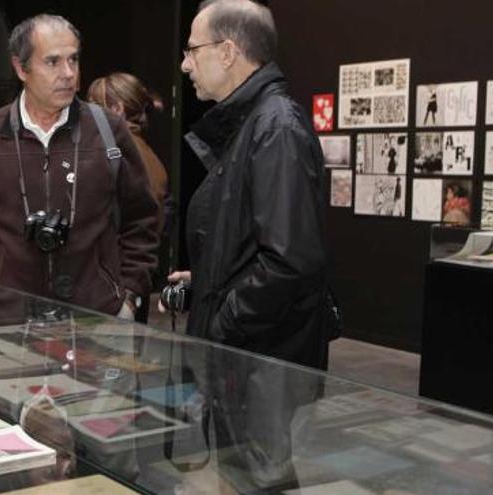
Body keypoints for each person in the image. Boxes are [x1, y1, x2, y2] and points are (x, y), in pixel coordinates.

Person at [168, 0, 330, 491]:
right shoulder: (253, 123)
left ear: (229, 51)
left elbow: (290, 260)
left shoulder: (274, 125)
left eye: (192, 49)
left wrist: (222, 319)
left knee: (259, 479)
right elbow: (257, 241)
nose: (184, 63)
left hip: (261, 359)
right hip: (253, 355)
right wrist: (208, 280)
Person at [0, 14, 159, 320]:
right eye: (53, 62)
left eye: (73, 59)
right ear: (21, 68)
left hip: (96, 319)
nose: (68, 73)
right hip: (8, 322)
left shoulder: (109, 131)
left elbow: (142, 220)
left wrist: (128, 298)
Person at [87, 72, 174, 323]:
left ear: (117, 109)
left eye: (94, 105)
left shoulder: (121, 156)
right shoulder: (146, 154)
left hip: (115, 293)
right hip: (128, 288)